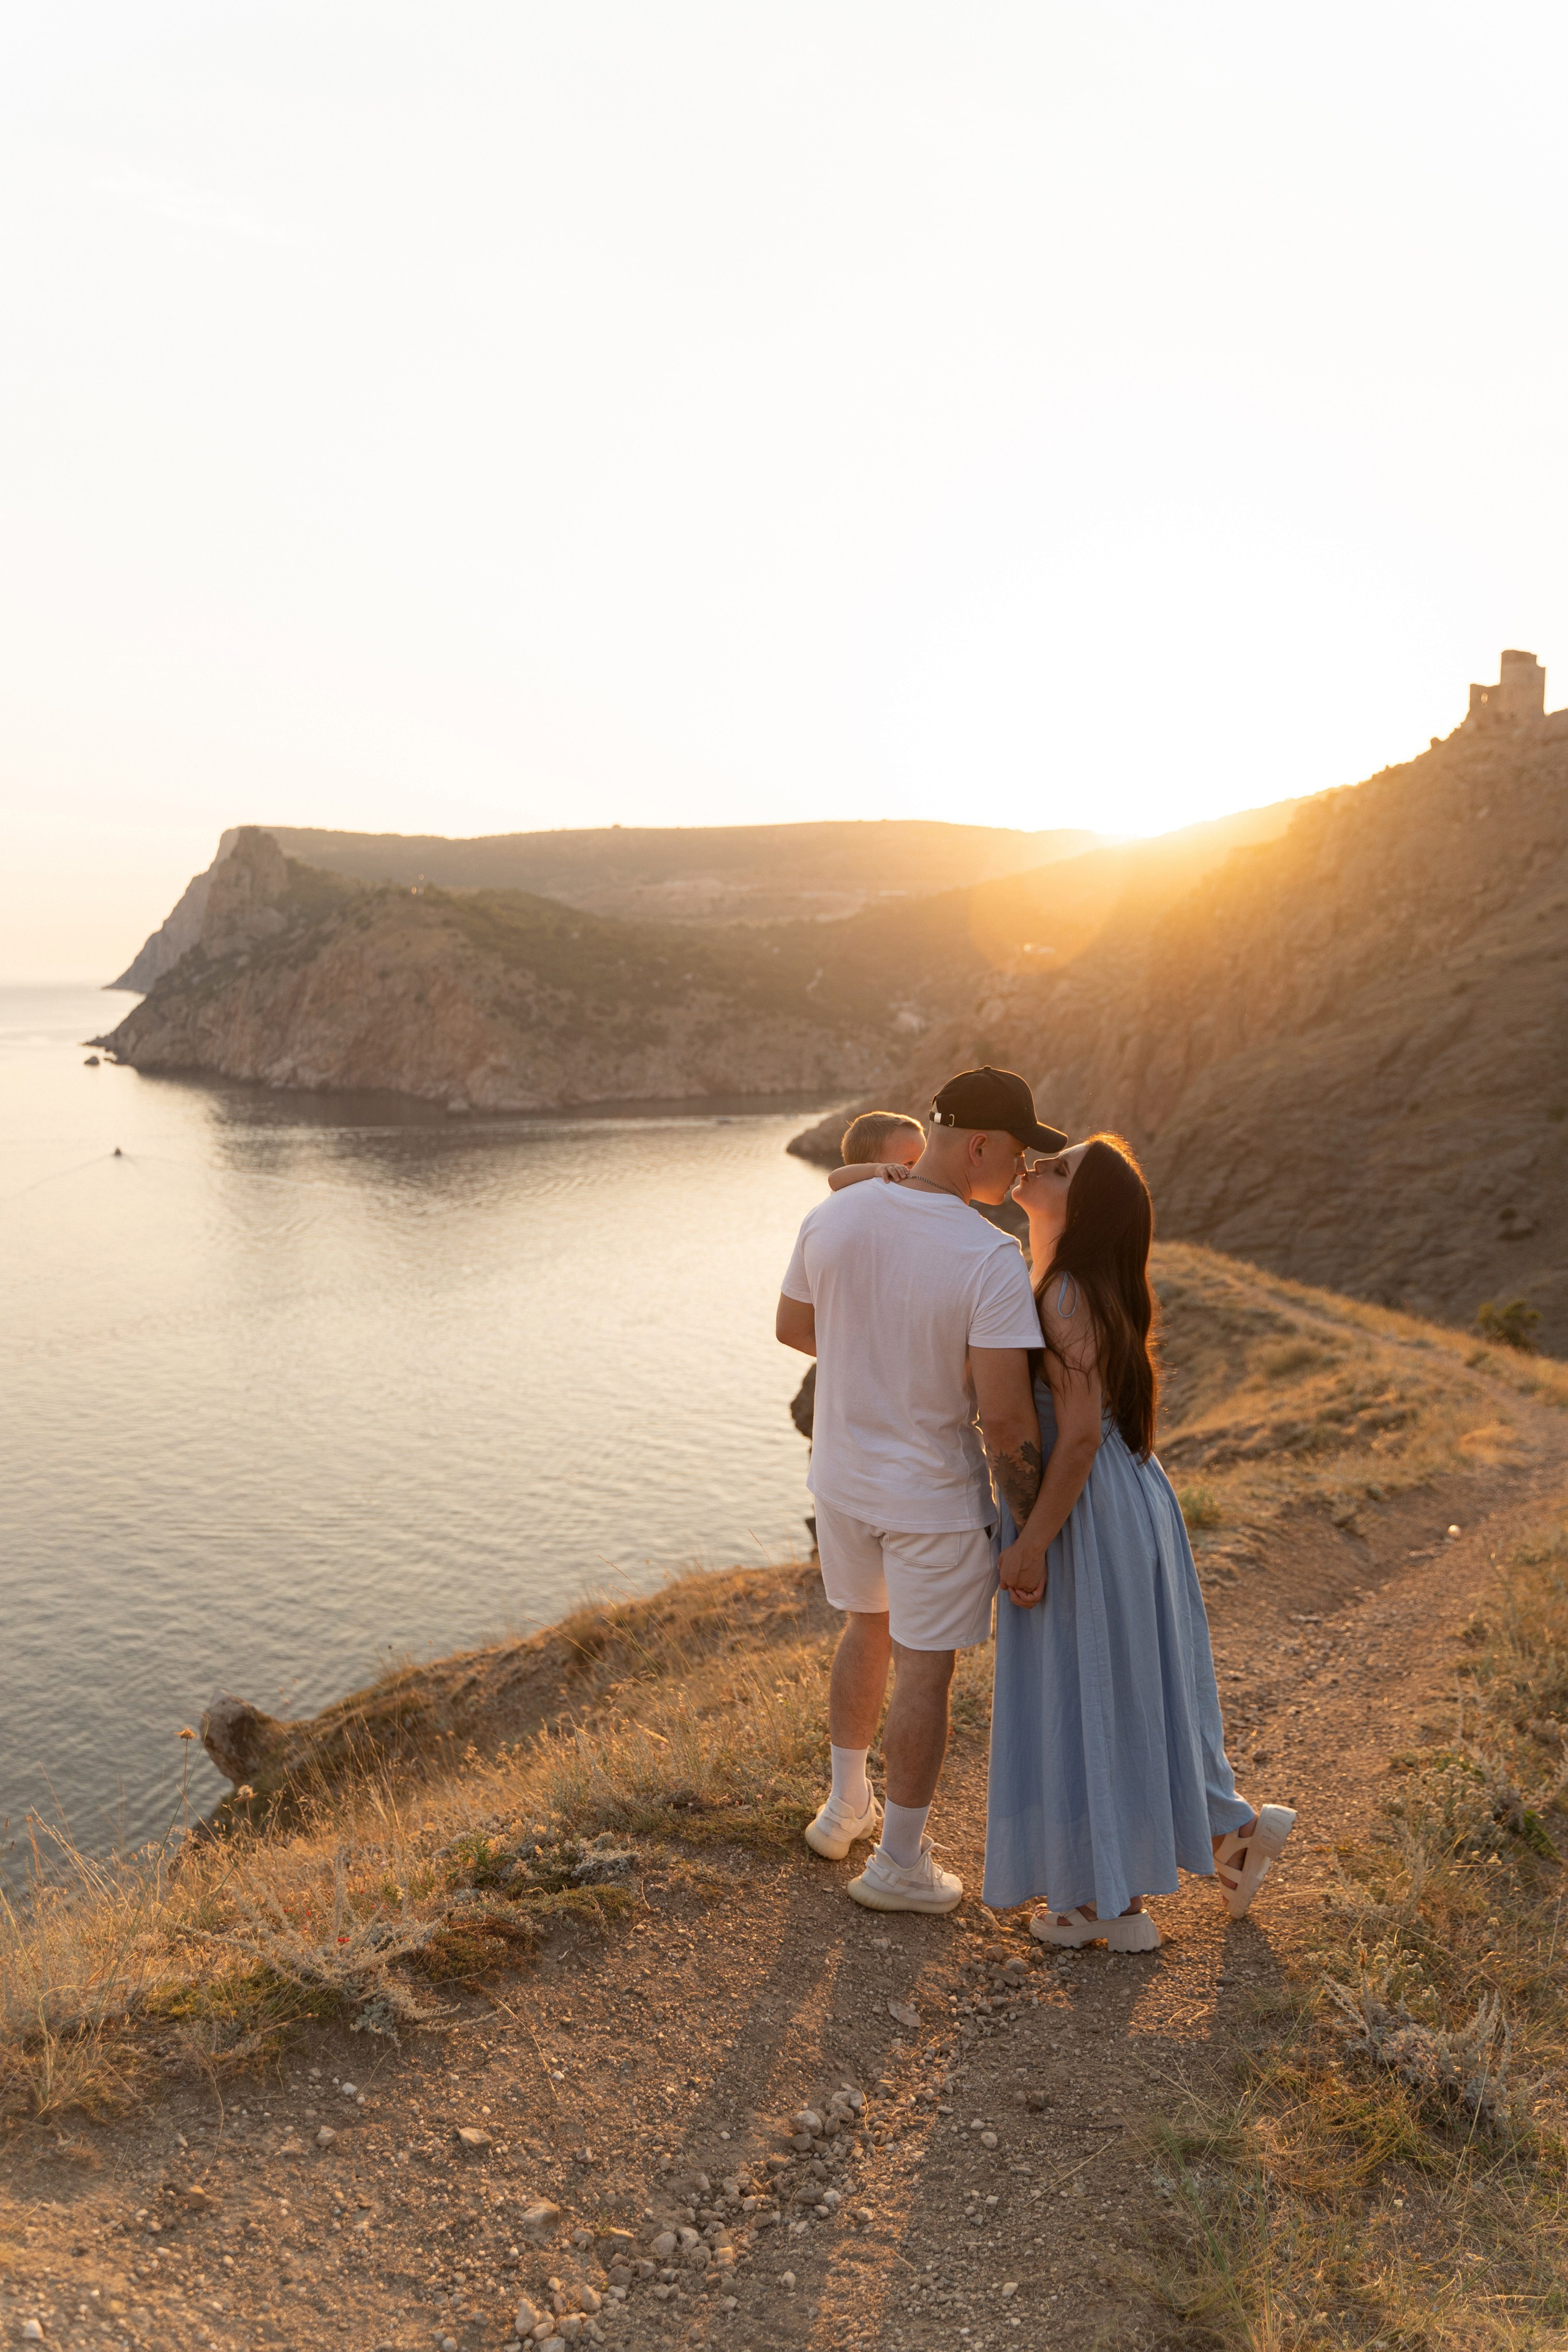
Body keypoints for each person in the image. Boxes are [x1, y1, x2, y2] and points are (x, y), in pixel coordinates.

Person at [983, 1135, 1295, 1948]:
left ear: (1083, 1206)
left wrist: (1032, 1545)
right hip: (1131, 1496)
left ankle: (1105, 1906)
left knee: (1093, 1684)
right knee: (1130, 1680)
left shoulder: (1065, 1296)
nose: (1037, 1168)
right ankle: (1220, 1836)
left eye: (1059, 1169)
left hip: (1088, 1506)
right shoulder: (1089, 1284)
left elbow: (1077, 1437)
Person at [777, 1066, 1066, 1914]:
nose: (1018, 1173)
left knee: (865, 1628)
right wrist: (1032, 1530)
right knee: (926, 1674)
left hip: (840, 1480)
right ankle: (900, 1861)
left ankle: (844, 1805)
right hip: (931, 1500)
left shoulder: (832, 1213)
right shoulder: (986, 1255)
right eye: (1014, 1153)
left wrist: (874, 1353)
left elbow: (795, 1328)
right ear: (978, 1143)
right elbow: (1006, 1422)